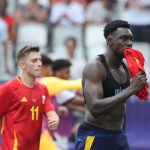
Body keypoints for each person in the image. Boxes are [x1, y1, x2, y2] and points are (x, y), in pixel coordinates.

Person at [75, 20, 147, 150]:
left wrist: (122, 133)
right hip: (95, 135)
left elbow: (121, 105)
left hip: (118, 136)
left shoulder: (125, 67)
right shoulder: (95, 67)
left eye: (130, 39)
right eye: (124, 39)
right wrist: (131, 89)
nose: (129, 43)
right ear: (110, 40)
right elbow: (94, 107)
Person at [0, 46, 59, 150]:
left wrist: (54, 118)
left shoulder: (43, 89)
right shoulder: (8, 88)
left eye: (40, 60)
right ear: (22, 65)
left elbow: (50, 111)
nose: (40, 64)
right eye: (34, 61)